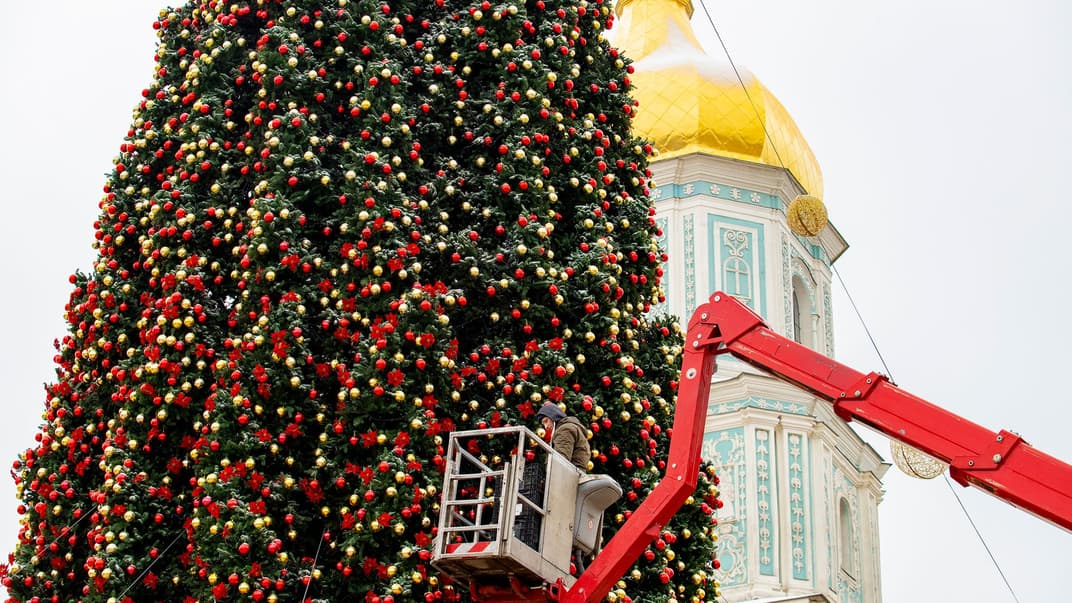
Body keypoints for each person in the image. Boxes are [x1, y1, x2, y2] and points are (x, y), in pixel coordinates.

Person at [535, 403, 590, 472]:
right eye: (543, 424)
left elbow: (560, 461)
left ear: (554, 416)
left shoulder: (564, 430)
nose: (546, 427)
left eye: (546, 421)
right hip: (575, 474)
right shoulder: (569, 427)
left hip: (567, 477)